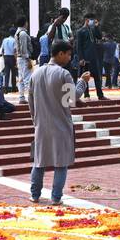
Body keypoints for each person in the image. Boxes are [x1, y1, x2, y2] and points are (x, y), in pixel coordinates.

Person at [27, 40, 76, 205]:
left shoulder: (36, 74)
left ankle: (34, 195)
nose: (69, 58)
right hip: (60, 125)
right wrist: (83, 82)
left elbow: (30, 101)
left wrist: (36, 120)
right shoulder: (64, 74)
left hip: (41, 125)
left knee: (39, 162)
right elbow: (70, 100)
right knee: (61, 163)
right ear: (60, 53)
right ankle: (56, 197)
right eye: (68, 54)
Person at [75, 14, 106, 101]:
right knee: (85, 77)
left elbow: (99, 36)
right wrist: (81, 58)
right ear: (86, 20)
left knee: (97, 76)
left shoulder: (92, 30)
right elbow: (79, 46)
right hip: (85, 58)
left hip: (94, 57)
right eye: (91, 20)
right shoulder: (80, 31)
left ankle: (100, 95)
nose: (93, 21)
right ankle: (86, 95)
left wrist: (96, 27)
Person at [14, 17, 35, 95]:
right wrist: (28, 60)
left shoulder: (17, 32)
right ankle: (31, 98)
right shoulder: (23, 33)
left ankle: (22, 97)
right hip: (24, 58)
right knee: (28, 79)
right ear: (24, 23)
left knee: (21, 79)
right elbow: (24, 48)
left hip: (20, 58)